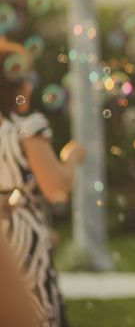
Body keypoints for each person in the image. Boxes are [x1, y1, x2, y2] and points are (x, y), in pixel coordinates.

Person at [0, 42, 85, 327]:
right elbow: (56, 188)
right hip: (22, 247)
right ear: (18, 86)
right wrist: (70, 158)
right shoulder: (26, 130)